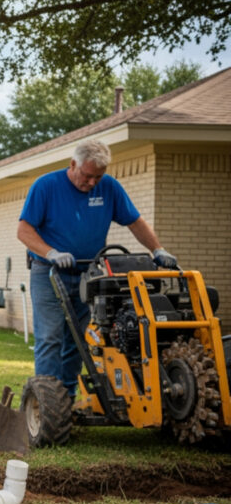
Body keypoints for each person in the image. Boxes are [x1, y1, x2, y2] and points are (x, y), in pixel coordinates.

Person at [18, 140, 177, 396]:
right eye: (87, 176)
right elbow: (24, 230)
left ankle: (67, 398)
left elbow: (135, 222)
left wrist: (157, 249)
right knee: (50, 338)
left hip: (88, 276)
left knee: (80, 340)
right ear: (73, 164)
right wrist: (52, 253)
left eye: (98, 177)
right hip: (48, 273)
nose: (92, 183)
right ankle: (46, 402)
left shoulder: (109, 188)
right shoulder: (46, 186)